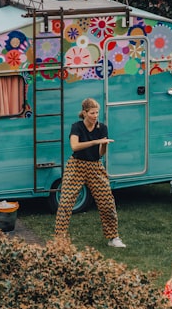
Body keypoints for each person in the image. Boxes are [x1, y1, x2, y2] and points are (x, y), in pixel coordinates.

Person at [53, 97, 124, 247]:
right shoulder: (77, 127)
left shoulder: (102, 128)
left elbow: (100, 153)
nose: (95, 116)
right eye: (92, 113)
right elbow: (74, 146)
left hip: (94, 166)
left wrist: (103, 144)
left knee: (107, 203)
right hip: (76, 166)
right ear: (84, 113)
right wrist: (95, 141)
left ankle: (113, 238)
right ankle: (59, 239)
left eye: (97, 113)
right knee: (65, 203)